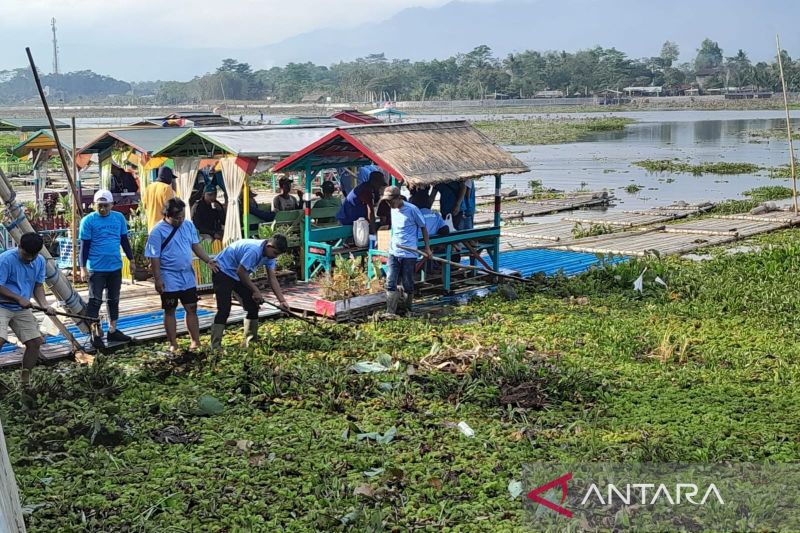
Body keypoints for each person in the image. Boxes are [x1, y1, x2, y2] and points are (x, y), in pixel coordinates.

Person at [145, 198, 219, 353]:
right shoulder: (157, 231)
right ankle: (173, 343)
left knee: (191, 307)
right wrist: (158, 279)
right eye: (176, 218)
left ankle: (195, 341)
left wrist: (208, 260)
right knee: (170, 309)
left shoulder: (188, 226)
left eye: (182, 217)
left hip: (187, 275)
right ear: (167, 215)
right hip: (168, 275)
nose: (180, 220)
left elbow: (195, 245)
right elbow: (154, 257)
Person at [210, 236, 290, 349]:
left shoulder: (270, 256)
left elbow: (272, 278)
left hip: (237, 275)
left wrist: (282, 301)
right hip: (222, 271)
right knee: (224, 309)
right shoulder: (254, 250)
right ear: (269, 246)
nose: (275, 256)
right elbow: (241, 272)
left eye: (277, 255)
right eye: (275, 253)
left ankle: (250, 343)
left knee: (253, 306)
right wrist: (256, 291)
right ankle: (215, 346)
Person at [79, 189, 135, 349]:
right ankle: (94, 333)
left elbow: (124, 240)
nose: (103, 209)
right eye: (99, 206)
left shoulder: (118, 218)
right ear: (94, 205)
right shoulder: (88, 221)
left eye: (106, 205)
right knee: (95, 300)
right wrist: (82, 267)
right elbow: (84, 246)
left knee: (113, 299)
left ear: (112, 204)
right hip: (96, 268)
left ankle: (113, 329)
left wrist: (131, 259)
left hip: (115, 266)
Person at [0, 233, 54, 385]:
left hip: (20, 308)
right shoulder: (5, 260)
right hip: (1, 305)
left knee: (35, 342)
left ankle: (25, 379)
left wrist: (44, 305)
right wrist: (18, 298)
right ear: (19, 247)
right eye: (26, 254)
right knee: (0, 338)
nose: (29, 258)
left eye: (33, 255)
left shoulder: (40, 261)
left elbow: (38, 286)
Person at [382, 186, 431, 316]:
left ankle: (407, 309)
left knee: (408, 282)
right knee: (390, 281)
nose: (389, 204)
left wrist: (427, 248)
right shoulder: (392, 209)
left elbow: (423, 228)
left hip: (409, 253)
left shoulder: (412, 210)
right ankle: (390, 311)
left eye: (390, 201)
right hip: (394, 251)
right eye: (387, 201)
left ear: (399, 198)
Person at [141, 166, 176, 231]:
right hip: (164, 228)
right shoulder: (167, 188)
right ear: (168, 177)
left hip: (151, 227)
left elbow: (145, 206)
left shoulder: (149, 187)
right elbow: (170, 209)